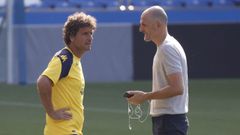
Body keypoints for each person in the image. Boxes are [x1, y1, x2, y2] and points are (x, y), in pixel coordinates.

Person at [126, 6, 189, 135]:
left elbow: (177, 88)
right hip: (168, 121)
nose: (140, 29)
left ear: (158, 25)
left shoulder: (167, 48)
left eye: (144, 25)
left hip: (169, 122)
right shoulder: (166, 46)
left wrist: (144, 96)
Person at [37, 12, 96, 135]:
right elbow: (43, 82)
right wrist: (51, 112)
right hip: (63, 131)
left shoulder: (75, 60)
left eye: (91, 33)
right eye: (85, 33)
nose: (90, 37)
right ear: (72, 37)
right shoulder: (65, 58)